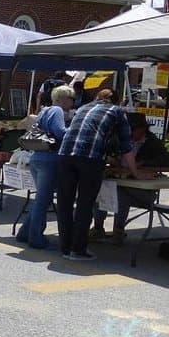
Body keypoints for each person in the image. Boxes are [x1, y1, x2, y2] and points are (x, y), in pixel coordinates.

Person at [56, 89, 137, 261]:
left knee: (65, 202)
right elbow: (127, 147)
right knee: (85, 204)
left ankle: (65, 247)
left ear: (97, 98)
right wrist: (136, 173)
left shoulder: (83, 107)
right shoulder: (117, 111)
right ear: (116, 101)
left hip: (65, 155)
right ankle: (78, 250)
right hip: (90, 158)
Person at [91, 112, 169, 243]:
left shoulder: (153, 143)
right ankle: (98, 227)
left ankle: (118, 229)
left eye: (132, 130)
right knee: (103, 187)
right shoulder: (119, 140)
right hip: (121, 182)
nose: (129, 134)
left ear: (142, 129)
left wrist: (143, 163)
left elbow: (167, 162)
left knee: (120, 194)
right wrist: (113, 160)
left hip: (144, 191)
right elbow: (106, 152)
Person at [15, 85, 74, 249]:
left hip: (37, 158)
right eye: (71, 99)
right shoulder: (58, 111)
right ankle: (36, 238)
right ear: (63, 98)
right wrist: (74, 129)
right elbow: (60, 132)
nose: (72, 102)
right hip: (50, 159)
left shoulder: (45, 110)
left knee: (41, 199)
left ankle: (24, 233)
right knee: (43, 200)